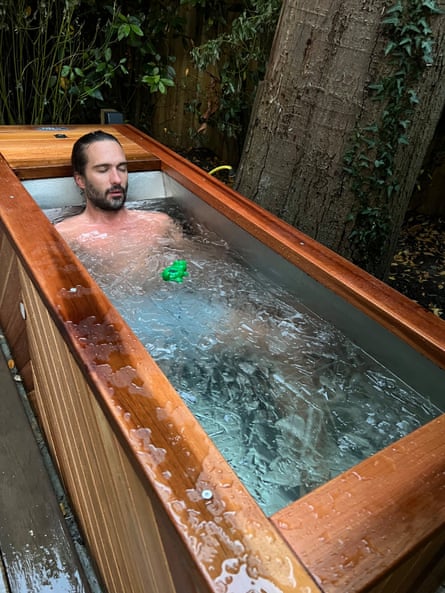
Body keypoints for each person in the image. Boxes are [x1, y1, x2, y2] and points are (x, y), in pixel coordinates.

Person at [56, 130, 181, 275]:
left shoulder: (160, 223)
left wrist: (175, 271)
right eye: (103, 170)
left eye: (122, 168)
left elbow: (190, 268)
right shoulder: (65, 236)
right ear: (81, 180)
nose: (116, 179)